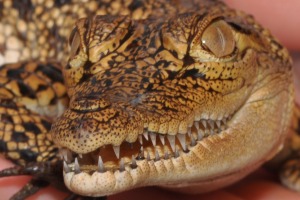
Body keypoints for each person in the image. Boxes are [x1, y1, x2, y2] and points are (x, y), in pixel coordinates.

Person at [0, 0, 300, 199]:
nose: (90, 126)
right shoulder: (89, 61)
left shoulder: (260, 62)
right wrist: (49, 155)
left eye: (213, 44)